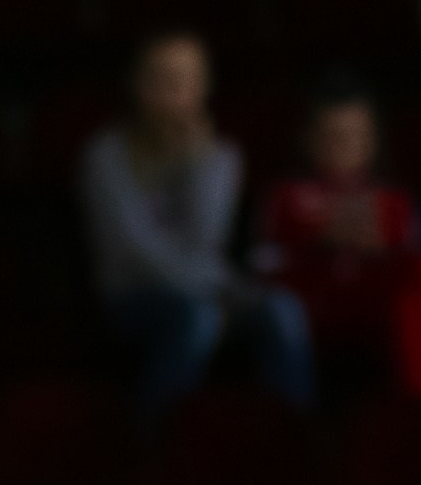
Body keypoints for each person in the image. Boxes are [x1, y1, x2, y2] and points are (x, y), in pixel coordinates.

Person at [78, 30, 313, 420]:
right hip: (134, 296)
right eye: (159, 77)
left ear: (203, 87)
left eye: (183, 79)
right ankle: (155, 445)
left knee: (283, 309)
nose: (171, 90)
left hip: (209, 292)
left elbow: (206, 240)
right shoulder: (105, 156)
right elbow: (133, 251)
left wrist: (197, 163)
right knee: (197, 318)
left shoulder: (220, 157)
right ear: (135, 83)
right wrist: (218, 297)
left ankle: (293, 439)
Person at [259, 76, 421, 427]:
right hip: (314, 305)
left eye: (354, 136)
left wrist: (376, 246)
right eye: (331, 136)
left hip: (376, 305)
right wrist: (320, 240)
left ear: (372, 141)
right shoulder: (288, 195)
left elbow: (413, 264)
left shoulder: (392, 200)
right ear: (308, 140)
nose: (343, 146)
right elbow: (263, 267)